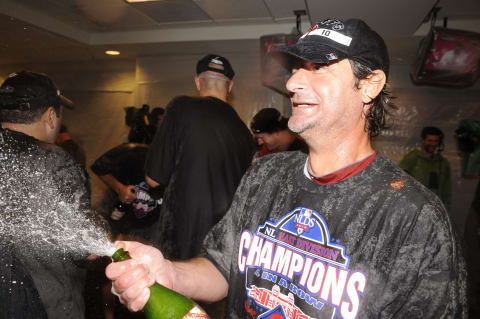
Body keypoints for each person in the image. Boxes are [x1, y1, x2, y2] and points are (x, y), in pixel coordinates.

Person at [106, 19, 467, 318]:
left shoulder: (414, 218)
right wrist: (166, 271)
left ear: (369, 84)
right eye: (295, 68)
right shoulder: (265, 175)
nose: (293, 83)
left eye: (319, 67)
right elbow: (224, 269)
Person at [0, 71, 106, 318]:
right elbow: (86, 247)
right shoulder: (53, 160)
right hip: (45, 306)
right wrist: (103, 226)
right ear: (50, 115)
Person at [143, 54, 256, 260]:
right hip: (226, 244)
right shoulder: (244, 132)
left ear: (197, 81)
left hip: (184, 238)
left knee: (177, 291)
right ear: (230, 87)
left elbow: (154, 178)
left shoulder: (181, 107)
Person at [399, 126, 452, 209]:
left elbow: (447, 189)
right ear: (423, 140)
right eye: (430, 141)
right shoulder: (412, 158)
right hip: (414, 206)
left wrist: (445, 208)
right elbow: (400, 182)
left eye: (436, 141)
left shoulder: (443, 163)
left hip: (434, 207)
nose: (433, 144)